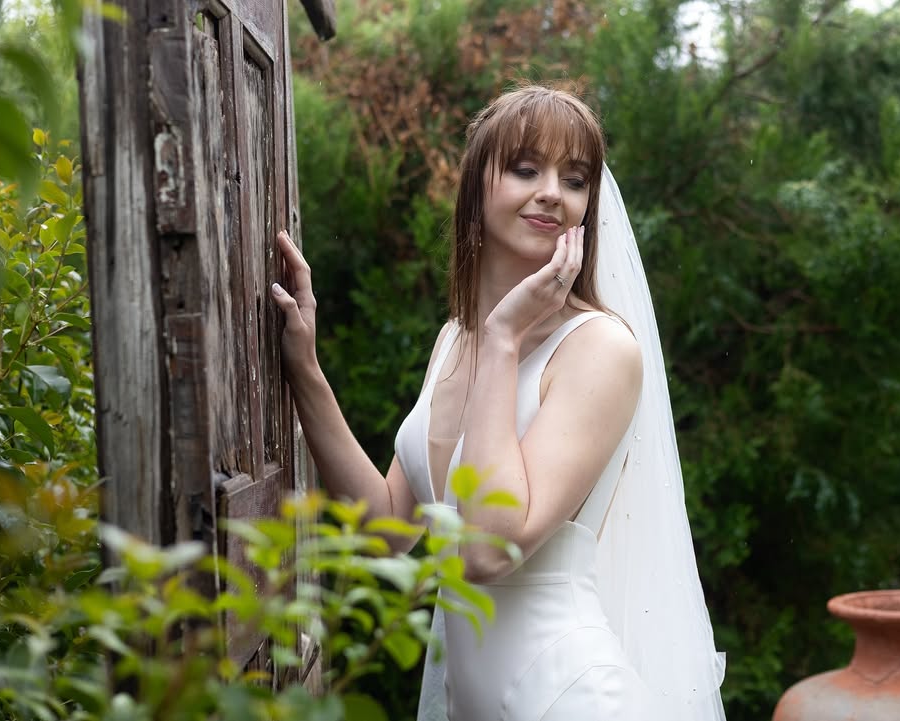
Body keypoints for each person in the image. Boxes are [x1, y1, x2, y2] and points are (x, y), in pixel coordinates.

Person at [271, 83, 726, 721]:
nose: (553, 193)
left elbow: (487, 549)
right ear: (475, 188)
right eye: (525, 169)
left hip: (568, 699)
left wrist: (508, 337)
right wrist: (305, 370)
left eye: (574, 179)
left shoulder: (598, 348)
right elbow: (390, 532)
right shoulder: (455, 340)